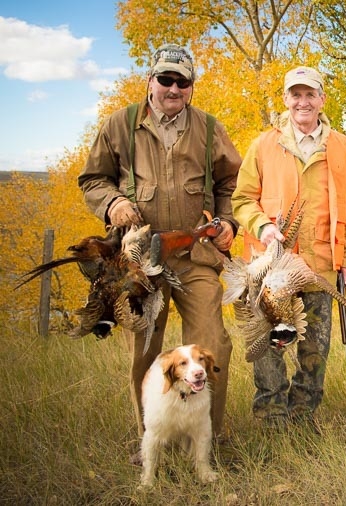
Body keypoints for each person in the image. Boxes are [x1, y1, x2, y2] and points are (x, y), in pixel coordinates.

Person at [78, 44, 242, 448]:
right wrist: (112, 203)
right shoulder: (120, 124)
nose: (173, 88)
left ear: (191, 88)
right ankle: (152, 438)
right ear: (150, 81)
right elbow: (93, 180)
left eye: (181, 82)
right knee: (146, 352)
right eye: (165, 79)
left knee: (212, 345)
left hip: (195, 256)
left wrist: (228, 222)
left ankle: (206, 437)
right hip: (139, 264)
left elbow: (232, 185)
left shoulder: (209, 128)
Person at [231, 66, 346, 429]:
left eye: (310, 94)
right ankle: (272, 419)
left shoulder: (342, 146)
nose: (302, 101)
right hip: (270, 269)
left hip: (320, 264)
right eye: (295, 94)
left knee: (315, 350)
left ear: (322, 99)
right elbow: (241, 200)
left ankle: (303, 419)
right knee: (269, 349)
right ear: (286, 99)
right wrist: (263, 226)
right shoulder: (263, 144)